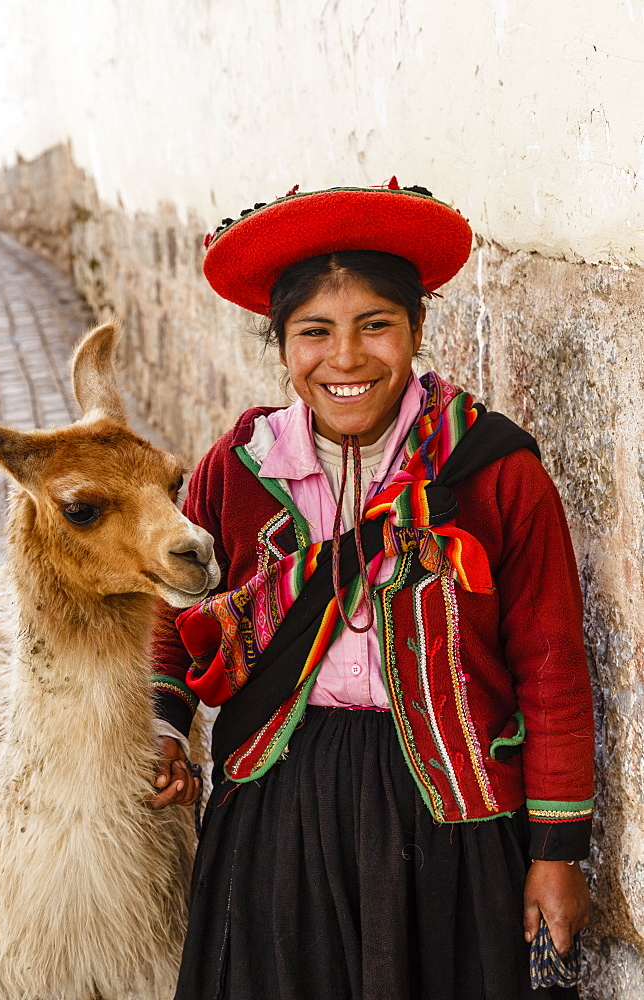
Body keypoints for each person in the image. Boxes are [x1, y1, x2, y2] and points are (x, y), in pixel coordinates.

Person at [150, 180, 594, 1000]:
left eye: (375, 326)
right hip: (279, 805)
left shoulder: (495, 471)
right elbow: (169, 620)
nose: (346, 358)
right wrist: (165, 730)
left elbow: (552, 663)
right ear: (280, 345)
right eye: (314, 331)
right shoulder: (238, 470)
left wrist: (557, 851)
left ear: (418, 329)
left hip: (450, 817)